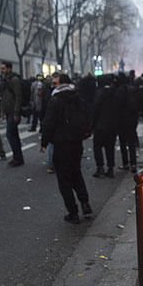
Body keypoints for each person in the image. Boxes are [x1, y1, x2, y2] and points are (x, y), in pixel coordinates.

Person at [41, 73, 93, 224]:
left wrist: (44, 142)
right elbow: (87, 116)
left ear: (61, 84)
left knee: (64, 179)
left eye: (55, 83)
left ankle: (73, 212)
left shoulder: (56, 100)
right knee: (76, 173)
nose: (53, 86)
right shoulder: (77, 97)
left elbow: (48, 123)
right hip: (76, 142)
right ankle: (85, 202)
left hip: (61, 143)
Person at [92, 74, 118, 178]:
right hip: (112, 125)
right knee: (110, 147)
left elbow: (95, 110)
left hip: (100, 125)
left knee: (97, 147)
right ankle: (110, 168)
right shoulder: (115, 92)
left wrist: (92, 124)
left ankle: (100, 167)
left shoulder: (99, 93)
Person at [0, 61, 24, 166]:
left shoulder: (14, 80)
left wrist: (16, 113)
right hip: (9, 111)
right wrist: (2, 111)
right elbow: (4, 97)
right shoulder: (6, 80)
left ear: (9, 69)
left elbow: (18, 97)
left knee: (10, 134)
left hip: (13, 111)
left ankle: (18, 158)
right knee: (13, 134)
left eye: (3, 68)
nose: (2, 70)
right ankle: (17, 157)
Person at [115, 73, 138, 172]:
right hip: (132, 119)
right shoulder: (132, 89)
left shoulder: (119, 91)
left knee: (123, 143)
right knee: (131, 143)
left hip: (121, 120)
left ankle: (125, 163)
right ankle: (133, 164)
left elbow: (116, 106)